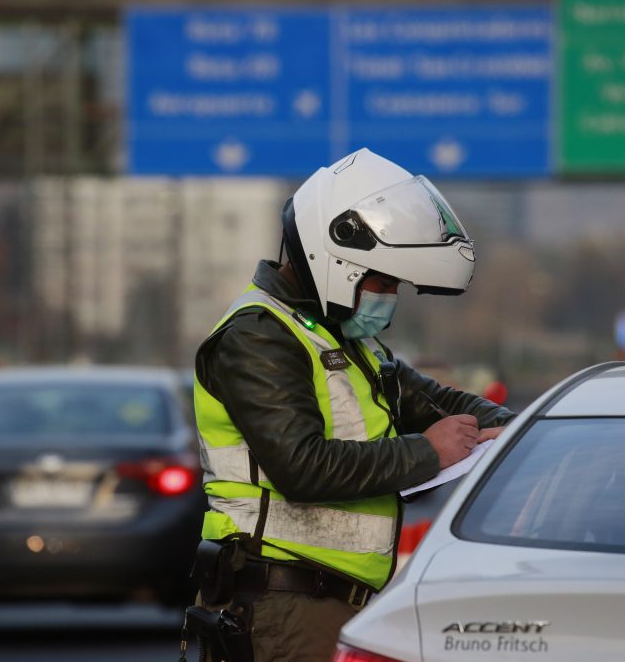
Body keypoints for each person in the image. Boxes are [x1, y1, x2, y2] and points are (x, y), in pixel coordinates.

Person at [190, 148, 515, 662]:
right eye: (383, 281)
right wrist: (428, 453)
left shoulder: (341, 338)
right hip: (284, 602)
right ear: (335, 261)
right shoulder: (257, 337)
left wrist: (530, 432)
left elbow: (432, 400)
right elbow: (301, 467)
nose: (390, 296)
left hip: (336, 600)